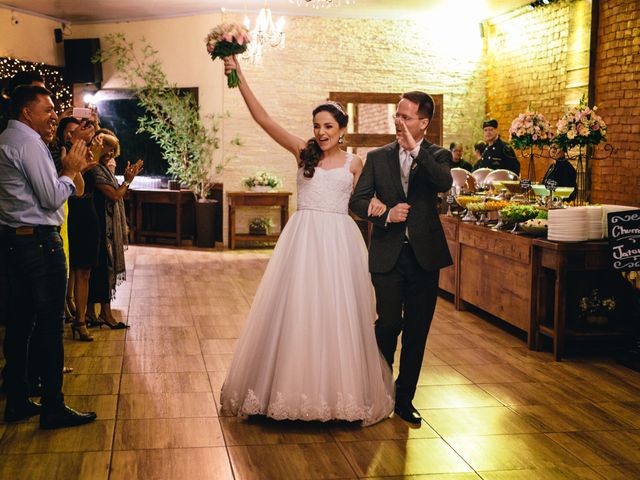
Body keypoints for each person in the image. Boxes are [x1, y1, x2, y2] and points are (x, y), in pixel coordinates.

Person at [219, 56, 394, 425]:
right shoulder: (303, 153)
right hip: (302, 243)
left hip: (339, 243)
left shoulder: (355, 164)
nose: (321, 132)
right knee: (297, 310)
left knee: (336, 314)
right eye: (316, 126)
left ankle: (336, 396)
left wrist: (379, 206)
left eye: (328, 126)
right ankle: (285, 391)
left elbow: (362, 204)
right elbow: (263, 119)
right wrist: (239, 75)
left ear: (342, 129)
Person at [350, 91, 453, 426]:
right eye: (398, 115)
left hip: (425, 257)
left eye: (406, 117)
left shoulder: (438, 156)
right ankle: (380, 390)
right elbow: (358, 201)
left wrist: (415, 150)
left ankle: (405, 398)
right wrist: (384, 214)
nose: (399, 121)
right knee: (389, 323)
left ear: (424, 123)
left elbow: (442, 183)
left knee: (417, 331)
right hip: (387, 255)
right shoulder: (378, 156)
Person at [0, 85, 97, 429]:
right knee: (50, 327)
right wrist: (70, 171)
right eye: (49, 109)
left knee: (20, 325)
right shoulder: (28, 144)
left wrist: (74, 151)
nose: (55, 115)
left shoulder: (7, 139)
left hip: (14, 243)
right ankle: (53, 405)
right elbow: (51, 197)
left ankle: (18, 400)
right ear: (27, 113)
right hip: (41, 244)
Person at [88, 129, 142, 329]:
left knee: (102, 269)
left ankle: (95, 314)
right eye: (107, 150)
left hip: (103, 223)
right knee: (102, 269)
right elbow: (115, 195)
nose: (110, 155)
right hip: (99, 224)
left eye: (113, 151)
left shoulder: (102, 168)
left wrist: (128, 178)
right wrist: (128, 180)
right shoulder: (95, 170)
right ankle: (103, 315)